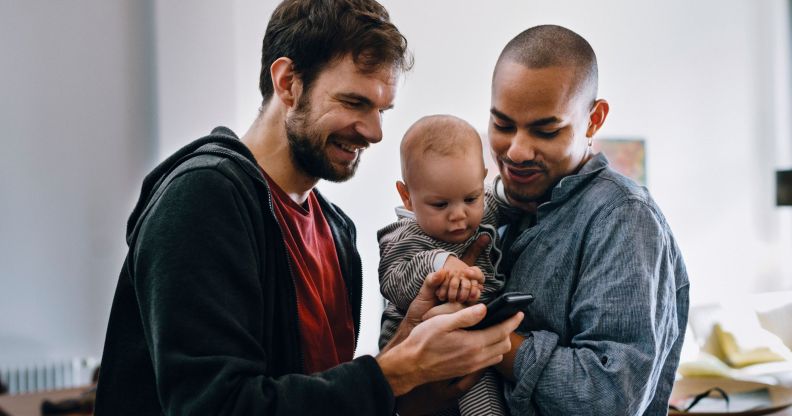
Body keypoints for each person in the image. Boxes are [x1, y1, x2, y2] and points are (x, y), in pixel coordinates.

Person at [93, 1, 522, 415]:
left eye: (381, 110)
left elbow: (319, 396)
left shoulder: (338, 233)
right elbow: (216, 405)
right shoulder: (203, 199)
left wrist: (407, 350)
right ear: (287, 83)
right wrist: (395, 372)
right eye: (354, 103)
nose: (374, 133)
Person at [485, 25, 690, 415]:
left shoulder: (624, 218)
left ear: (594, 120)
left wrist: (483, 341)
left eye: (546, 131)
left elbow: (609, 397)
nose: (517, 151)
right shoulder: (488, 209)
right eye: (502, 125)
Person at [378, 115, 514, 415]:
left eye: (470, 198)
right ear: (407, 197)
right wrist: (441, 262)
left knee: (485, 400)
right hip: (414, 350)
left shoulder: (482, 206)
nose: (459, 215)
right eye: (440, 205)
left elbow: (507, 197)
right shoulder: (404, 234)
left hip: (472, 340)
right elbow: (393, 279)